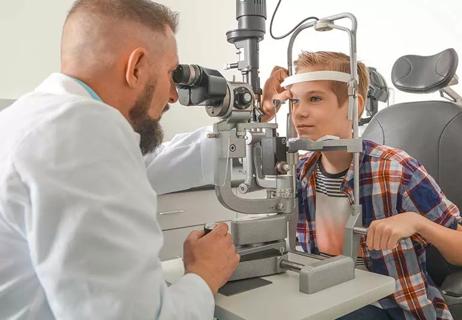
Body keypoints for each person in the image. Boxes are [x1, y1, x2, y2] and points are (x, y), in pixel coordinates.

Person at [0, 0, 240, 319]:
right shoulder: (83, 131)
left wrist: (242, 126)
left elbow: (146, 165)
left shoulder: (28, 119)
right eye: (171, 74)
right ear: (136, 67)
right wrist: (204, 276)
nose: (173, 94)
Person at [265, 51, 462, 319]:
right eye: (296, 100)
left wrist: (418, 223)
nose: (300, 112)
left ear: (353, 106)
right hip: (326, 296)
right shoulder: (300, 172)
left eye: (315, 98)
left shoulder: (395, 169)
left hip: (392, 306)